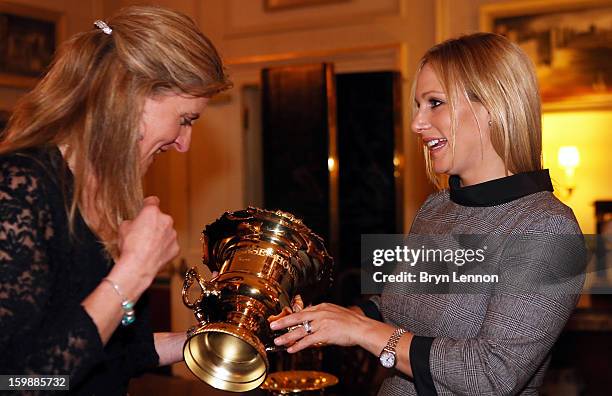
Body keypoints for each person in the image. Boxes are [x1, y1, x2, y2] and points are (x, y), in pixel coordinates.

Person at [270, 32, 585, 395]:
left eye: (435, 103)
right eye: (419, 106)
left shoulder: (546, 228)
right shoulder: (438, 207)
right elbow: (396, 308)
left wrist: (362, 332)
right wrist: (331, 321)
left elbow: (492, 374)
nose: (417, 124)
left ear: (494, 106)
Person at [0, 5, 230, 394]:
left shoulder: (107, 198)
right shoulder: (18, 188)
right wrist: (135, 270)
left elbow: (116, 351)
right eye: (186, 119)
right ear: (132, 96)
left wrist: (226, 336)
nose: (184, 143)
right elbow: (23, 383)